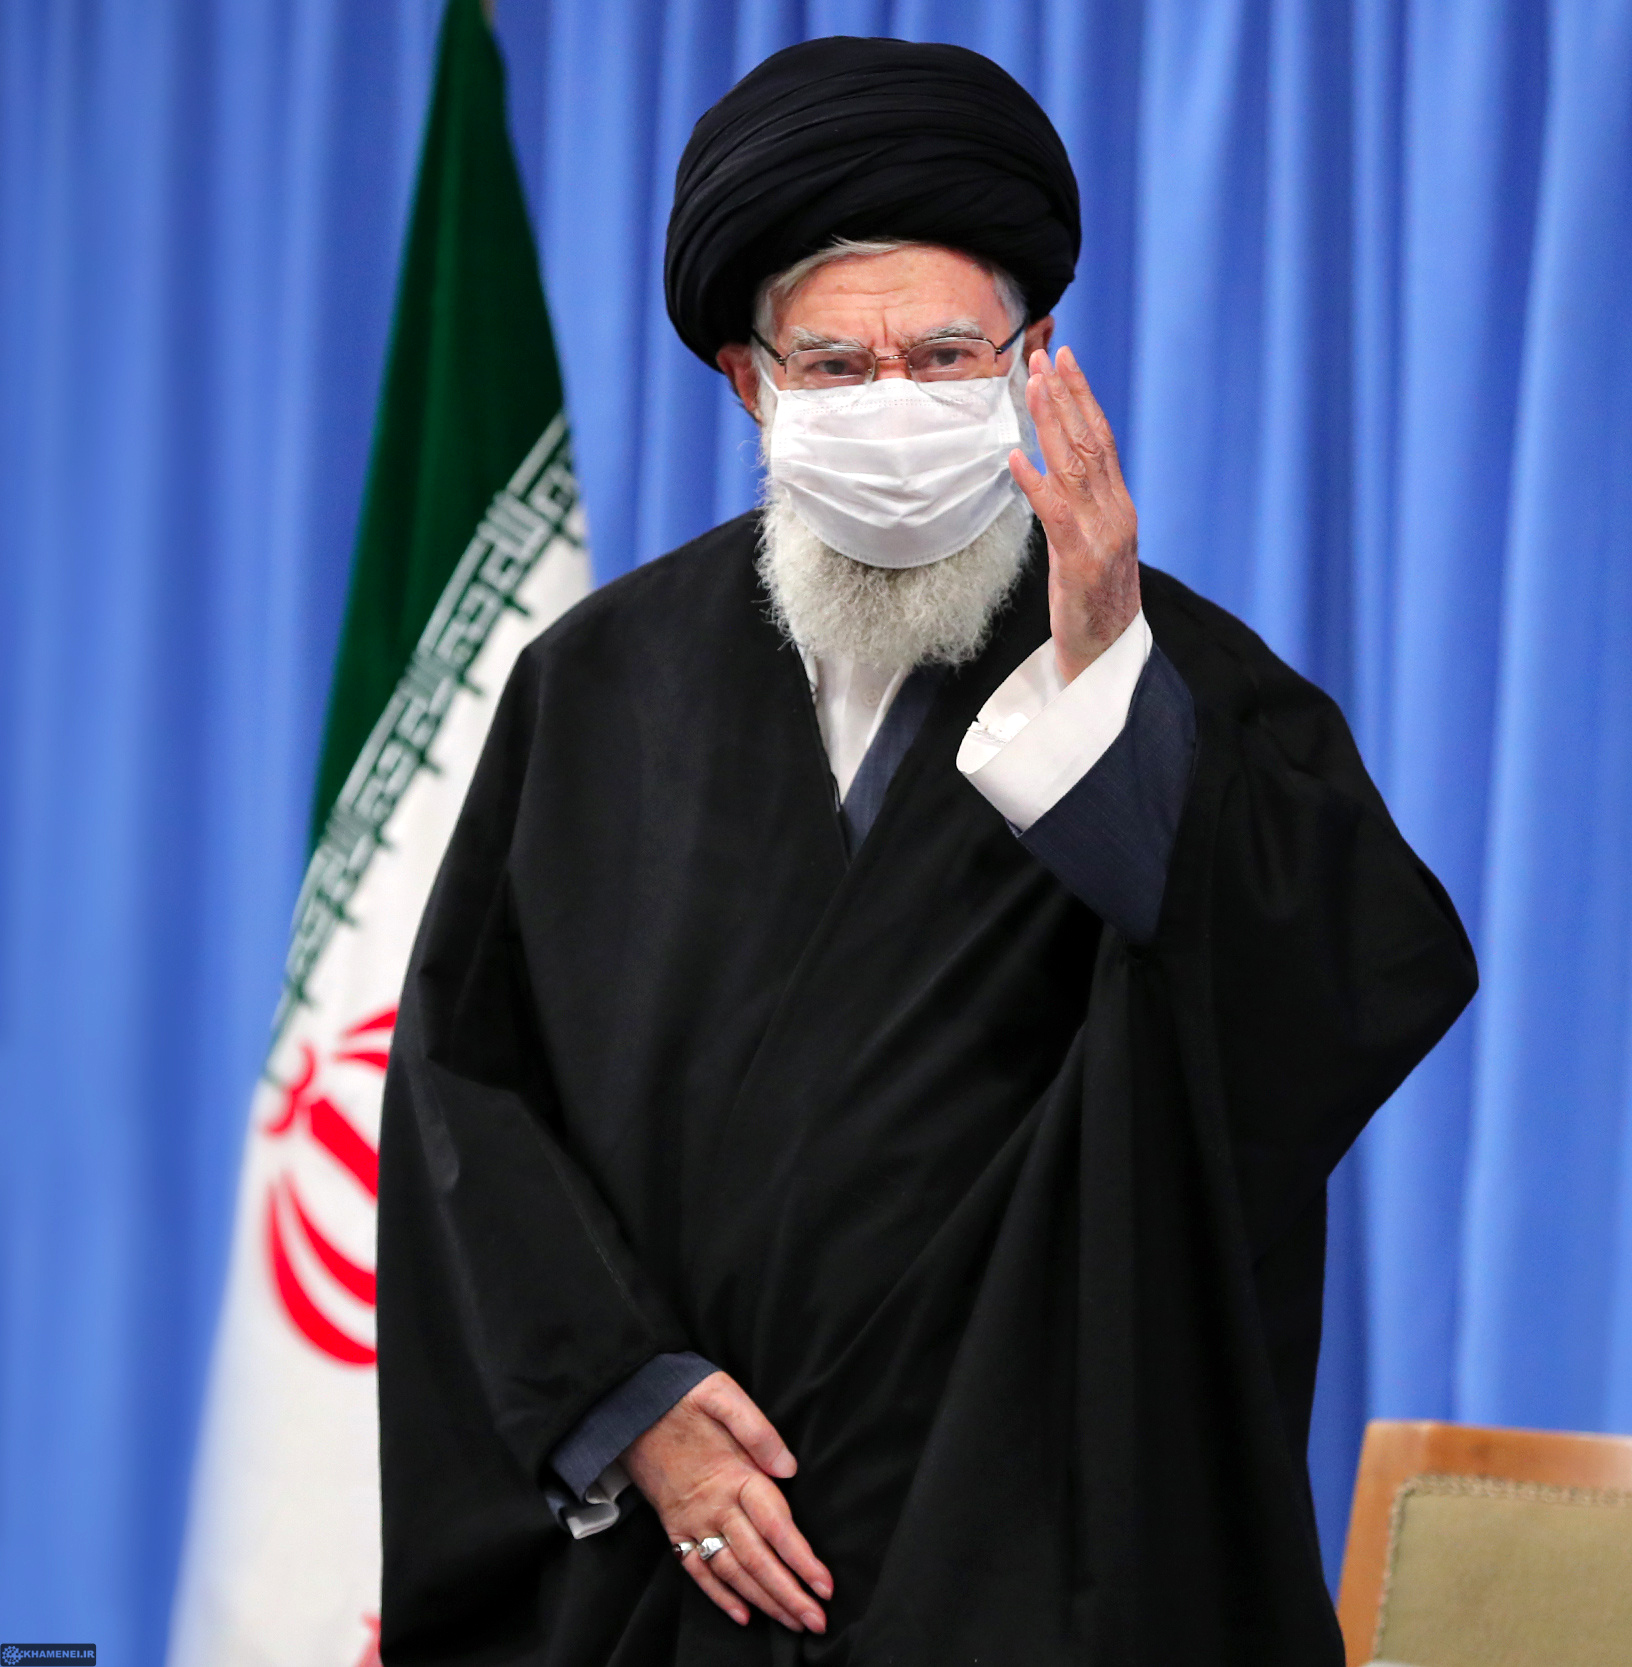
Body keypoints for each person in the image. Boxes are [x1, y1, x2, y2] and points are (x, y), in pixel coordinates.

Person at [375, 34, 1475, 1666]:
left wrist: (1103, 694)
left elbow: (1343, 993)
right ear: (749, 381)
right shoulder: (597, 686)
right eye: (835, 366)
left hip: (1042, 1548)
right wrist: (625, 1404)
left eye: (948, 355)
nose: (894, 403)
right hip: (684, 1566)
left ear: (1034, 362)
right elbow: (466, 1088)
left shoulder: (1177, 674)